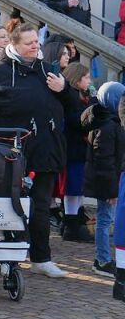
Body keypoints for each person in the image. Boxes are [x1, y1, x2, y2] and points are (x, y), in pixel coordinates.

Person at [0, 24, 69, 277]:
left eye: (36, 41)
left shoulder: (48, 71)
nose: (35, 46)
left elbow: (72, 107)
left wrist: (65, 89)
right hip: (9, 151)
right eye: (29, 43)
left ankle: (41, 258)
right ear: (14, 45)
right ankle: (8, 258)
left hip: (45, 150)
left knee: (40, 205)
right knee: (9, 204)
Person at [81, 83, 125, 276]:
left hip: (109, 180)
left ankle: (104, 257)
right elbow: (104, 160)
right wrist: (111, 190)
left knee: (106, 219)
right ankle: (102, 260)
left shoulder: (109, 121)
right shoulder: (107, 125)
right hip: (107, 182)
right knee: (105, 220)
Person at [60, 62, 94, 243]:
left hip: (79, 150)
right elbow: (78, 121)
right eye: (86, 78)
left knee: (78, 189)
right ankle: (71, 224)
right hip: (72, 150)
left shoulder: (83, 97)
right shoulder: (71, 99)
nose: (89, 81)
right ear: (77, 79)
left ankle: (74, 220)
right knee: (72, 189)